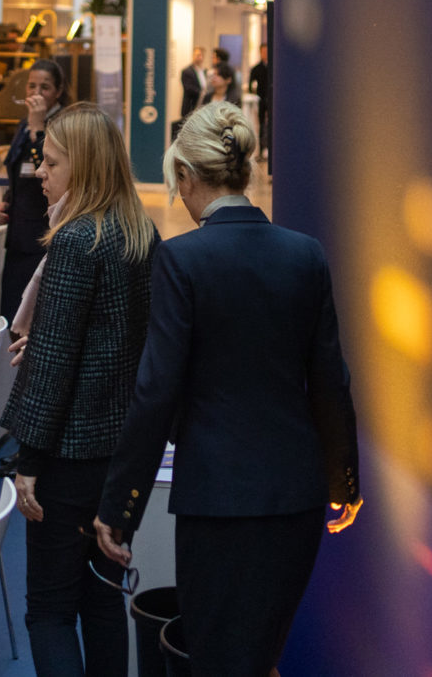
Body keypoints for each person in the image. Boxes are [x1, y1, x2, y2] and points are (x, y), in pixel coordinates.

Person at [96, 105, 360, 677]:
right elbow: (330, 381)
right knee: (262, 655)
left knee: (216, 658)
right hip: (295, 500)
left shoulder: (181, 259)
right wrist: (342, 480)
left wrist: (121, 507)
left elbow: (156, 393)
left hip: (216, 503)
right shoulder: (305, 255)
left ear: (187, 175)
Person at [3, 107, 156, 677]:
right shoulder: (140, 232)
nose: (40, 172)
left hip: (69, 457)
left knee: (49, 611)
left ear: (84, 166)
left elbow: (57, 365)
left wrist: (28, 462)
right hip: (121, 454)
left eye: (52, 162)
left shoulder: (76, 239)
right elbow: (114, 340)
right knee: (102, 601)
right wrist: (46, 339)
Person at [0, 57, 63, 327]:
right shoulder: (23, 125)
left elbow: (46, 171)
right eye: (32, 86)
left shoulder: (61, 124)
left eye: (45, 87)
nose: (36, 93)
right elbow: (17, 174)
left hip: (43, 235)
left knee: (33, 321)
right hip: (17, 236)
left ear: (58, 91)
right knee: (10, 317)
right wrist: (5, 203)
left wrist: (37, 129)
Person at [248, 45, 273, 165]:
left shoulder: (274, 67)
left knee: (272, 124)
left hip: (272, 100)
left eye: (267, 51)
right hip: (261, 100)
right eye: (263, 51)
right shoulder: (256, 68)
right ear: (260, 52)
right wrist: (255, 93)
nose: (265, 53)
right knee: (262, 125)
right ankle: (262, 150)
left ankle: (270, 149)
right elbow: (250, 84)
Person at [178, 48, 208, 122]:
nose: (199, 57)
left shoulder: (205, 71)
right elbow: (188, 88)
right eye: (197, 55)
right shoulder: (187, 71)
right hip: (191, 106)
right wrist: (202, 93)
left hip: (202, 106)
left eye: (201, 55)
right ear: (193, 56)